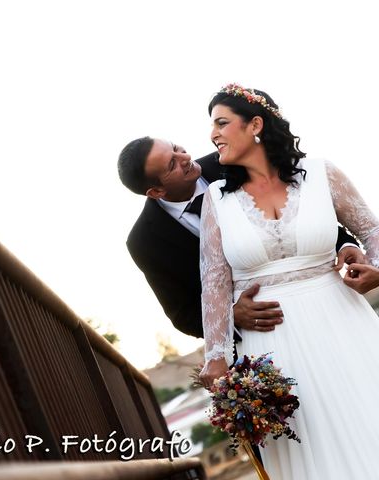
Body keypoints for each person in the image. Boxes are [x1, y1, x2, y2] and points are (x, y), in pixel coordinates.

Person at [198, 83, 379, 479]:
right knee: (311, 455)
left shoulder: (321, 173)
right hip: (273, 348)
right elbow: (213, 281)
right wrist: (217, 355)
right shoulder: (215, 198)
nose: (212, 134)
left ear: (256, 124)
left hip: (345, 327)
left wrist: (375, 267)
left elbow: (372, 230)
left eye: (222, 122)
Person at [117, 138, 360, 339]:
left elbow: (294, 211)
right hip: (263, 335)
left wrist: (344, 243)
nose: (185, 157)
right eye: (172, 164)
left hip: (321, 297)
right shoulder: (144, 242)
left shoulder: (231, 163)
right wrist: (231, 315)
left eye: (176, 148)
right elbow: (182, 314)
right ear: (156, 192)